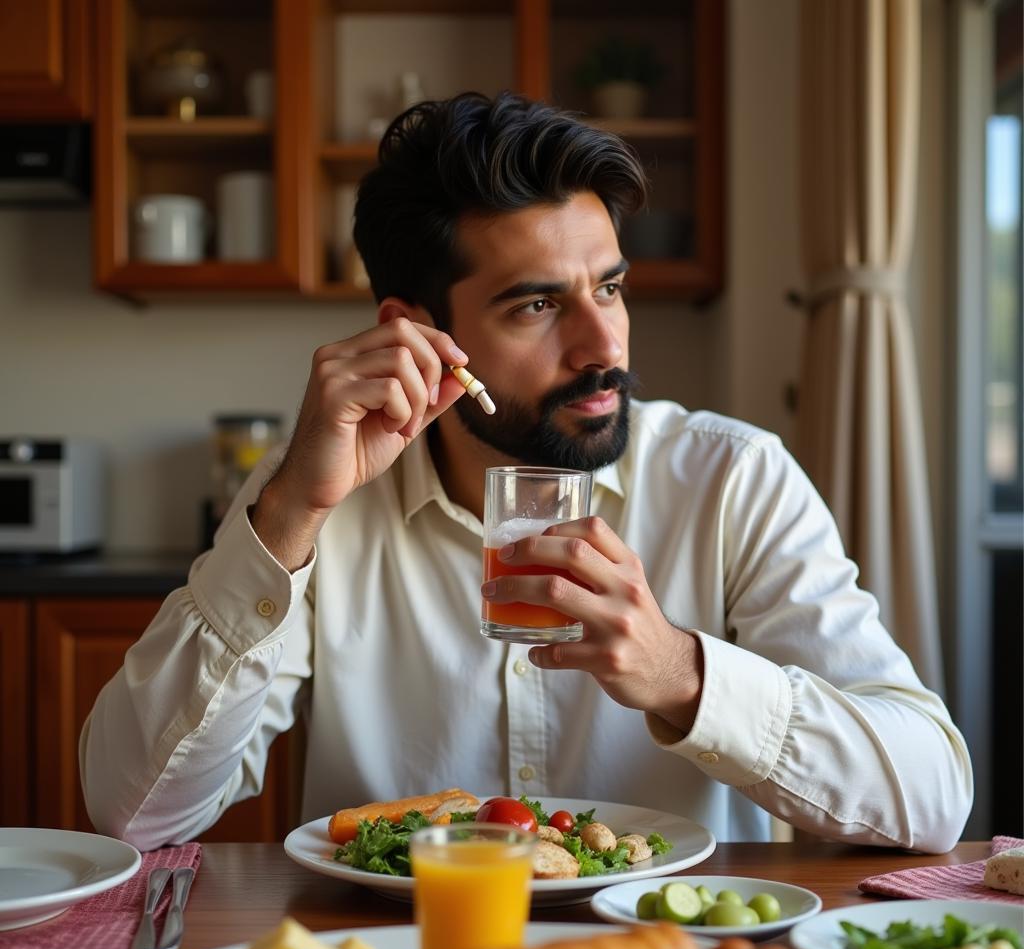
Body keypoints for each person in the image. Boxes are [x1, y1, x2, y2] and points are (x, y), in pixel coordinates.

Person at [79, 92, 972, 853]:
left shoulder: (733, 480)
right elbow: (134, 816)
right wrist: (285, 523)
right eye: (538, 304)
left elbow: (932, 795)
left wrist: (683, 675)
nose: (604, 345)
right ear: (417, 330)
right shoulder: (316, 493)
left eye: (610, 288)